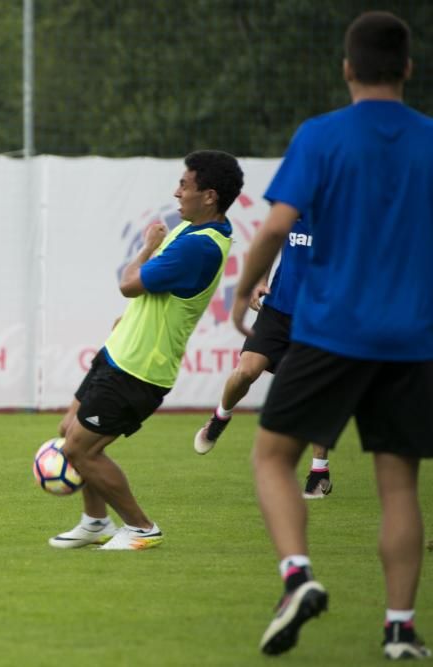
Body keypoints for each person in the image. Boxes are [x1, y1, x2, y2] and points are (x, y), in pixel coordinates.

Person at [231, 12, 433, 660]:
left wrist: (243, 290)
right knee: (399, 484)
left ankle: (297, 574)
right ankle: (400, 627)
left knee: (270, 456)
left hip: (330, 332)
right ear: (407, 67)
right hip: (411, 338)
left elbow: (273, 227)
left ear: (347, 68)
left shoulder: (321, 136)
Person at [49, 150, 243, 551]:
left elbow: (129, 283)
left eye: (184, 185)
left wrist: (145, 248)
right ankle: (94, 522)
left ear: (209, 195)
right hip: (121, 351)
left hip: (140, 368)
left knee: (78, 450)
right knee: (69, 430)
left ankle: (141, 527)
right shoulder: (193, 231)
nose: (176, 193)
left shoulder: (200, 246)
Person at [194, 218, 334, 499]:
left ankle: (320, 472)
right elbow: (270, 242)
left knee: (315, 393)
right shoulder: (293, 211)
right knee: (246, 371)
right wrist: (260, 280)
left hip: (318, 318)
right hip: (277, 312)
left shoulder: (346, 216)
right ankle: (220, 417)